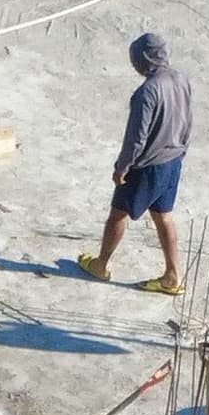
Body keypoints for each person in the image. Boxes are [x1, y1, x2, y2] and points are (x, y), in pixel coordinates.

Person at [76, 31, 189, 294]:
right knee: (164, 217)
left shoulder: (147, 92)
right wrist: (182, 151)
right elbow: (187, 119)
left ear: (144, 59)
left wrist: (122, 167)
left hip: (147, 166)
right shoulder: (181, 79)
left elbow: (136, 137)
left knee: (117, 215)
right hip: (173, 161)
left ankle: (100, 265)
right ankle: (173, 276)